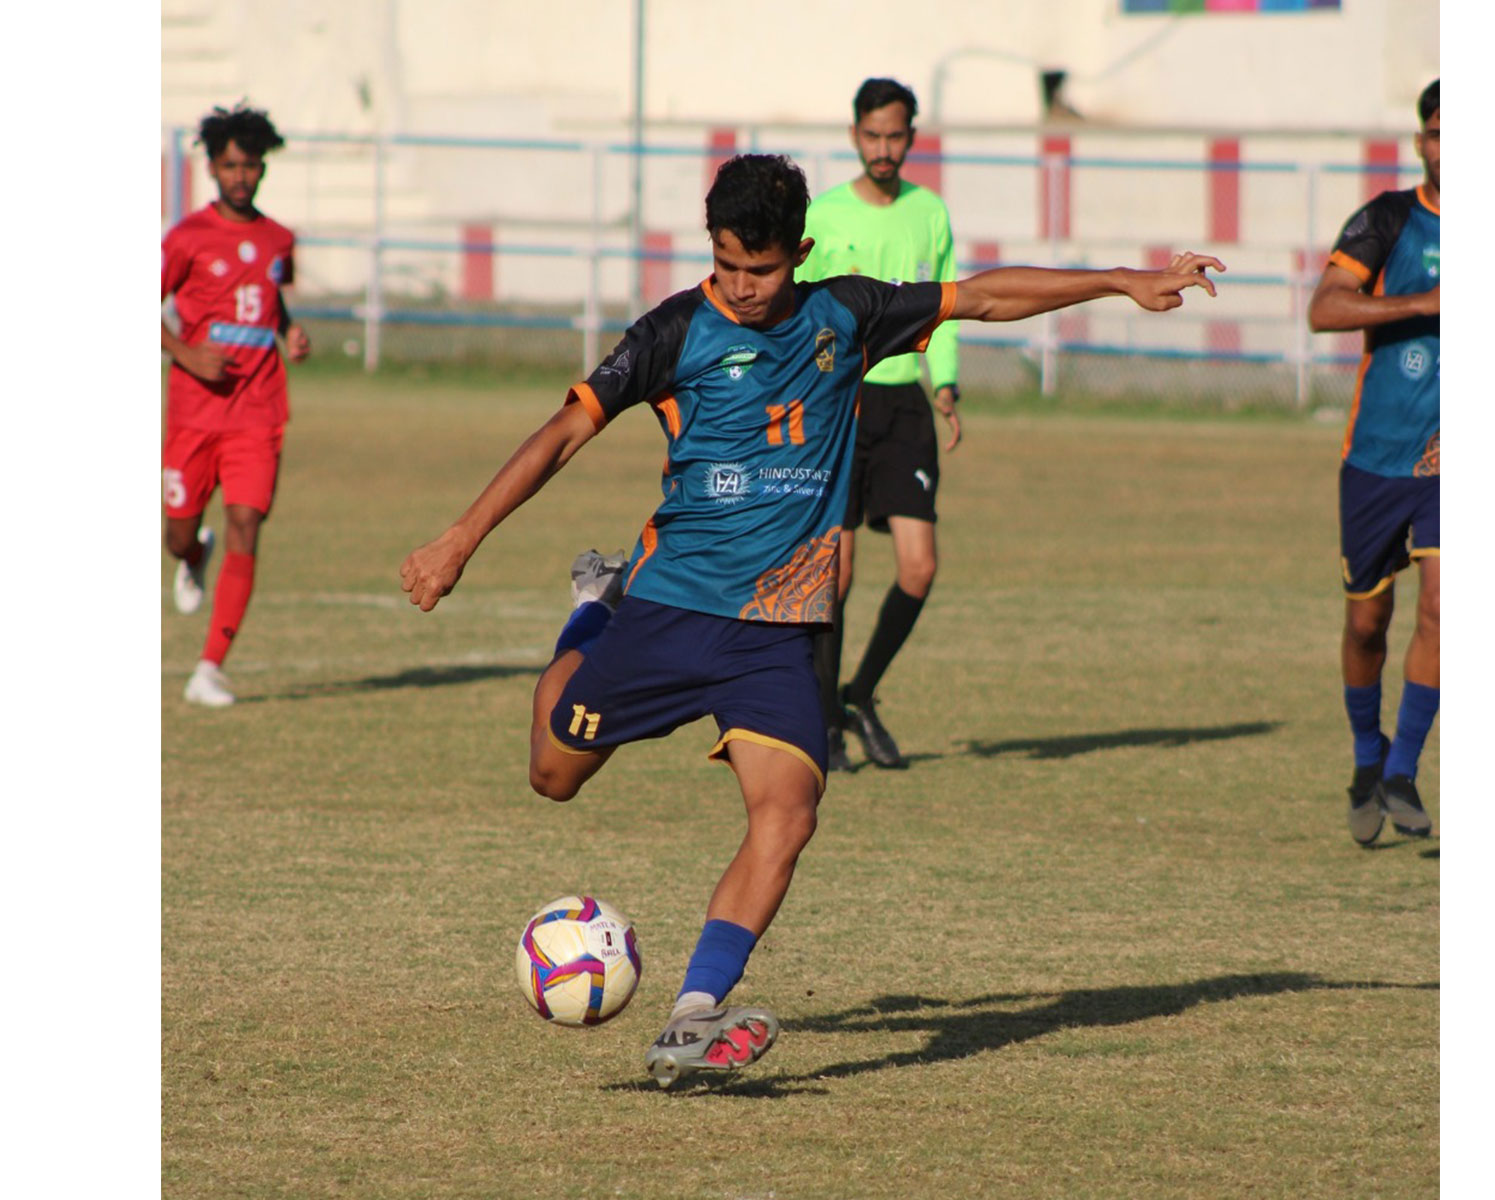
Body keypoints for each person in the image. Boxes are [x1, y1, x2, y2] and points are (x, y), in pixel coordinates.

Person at [400, 154, 1222, 1087]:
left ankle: (694, 1015)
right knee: (553, 775)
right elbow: (565, 429)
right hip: (667, 608)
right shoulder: (674, 331)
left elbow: (982, 299)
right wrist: (461, 537)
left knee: (788, 815)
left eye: (763, 268)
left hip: (778, 633)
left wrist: (1120, 281)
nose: (743, 288)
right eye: (725, 264)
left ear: (803, 251)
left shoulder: (847, 315)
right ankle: (592, 611)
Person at [795, 78, 960, 772]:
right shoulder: (826, 216)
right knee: (835, 575)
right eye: (872, 136)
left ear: (912, 137)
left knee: (920, 569)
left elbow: (945, 305)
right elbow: (808, 313)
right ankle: (826, 721)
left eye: (895, 136)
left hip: (905, 408)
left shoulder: (930, 213)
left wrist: (944, 383)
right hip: (843, 407)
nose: (884, 149)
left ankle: (860, 696)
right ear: (855, 135)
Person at [1308, 79, 1439, 846]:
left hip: (1448, 468)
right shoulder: (1388, 218)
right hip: (1376, 462)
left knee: (1441, 610)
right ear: (1420, 143)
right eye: (1435, 133)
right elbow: (1325, 308)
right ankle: (1367, 759)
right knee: (1367, 623)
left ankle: (1404, 769)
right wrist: (1425, 304)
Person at [161, 102, 310, 707]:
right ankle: (193, 554)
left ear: (262, 169)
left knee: (247, 522)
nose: (240, 176)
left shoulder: (278, 240)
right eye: (229, 166)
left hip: (258, 411)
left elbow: (271, 302)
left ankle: (210, 668)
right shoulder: (187, 238)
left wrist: (290, 333)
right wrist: (184, 354)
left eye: (250, 165)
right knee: (175, 534)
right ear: (213, 169)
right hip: (194, 413)